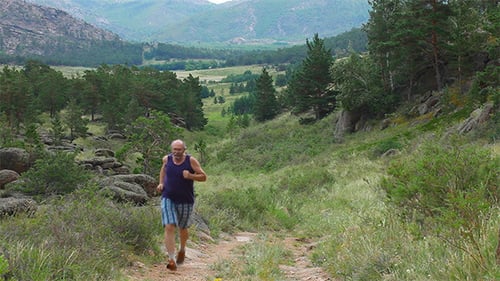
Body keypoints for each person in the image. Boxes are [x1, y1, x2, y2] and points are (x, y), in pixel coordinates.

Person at [156, 139, 207, 271]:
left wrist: (190, 176)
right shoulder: (166, 159)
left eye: (179, 150)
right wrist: (161, 183)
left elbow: (203, 176)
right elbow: (163, 171)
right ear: (171, 150)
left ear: (184, 150)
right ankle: (171, 259)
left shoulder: (191, 161)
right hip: (168, 197)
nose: (177, 152)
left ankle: (182, 249)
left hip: (185, 199)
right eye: (175, 149)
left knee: (183, 228)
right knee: (169, 226)